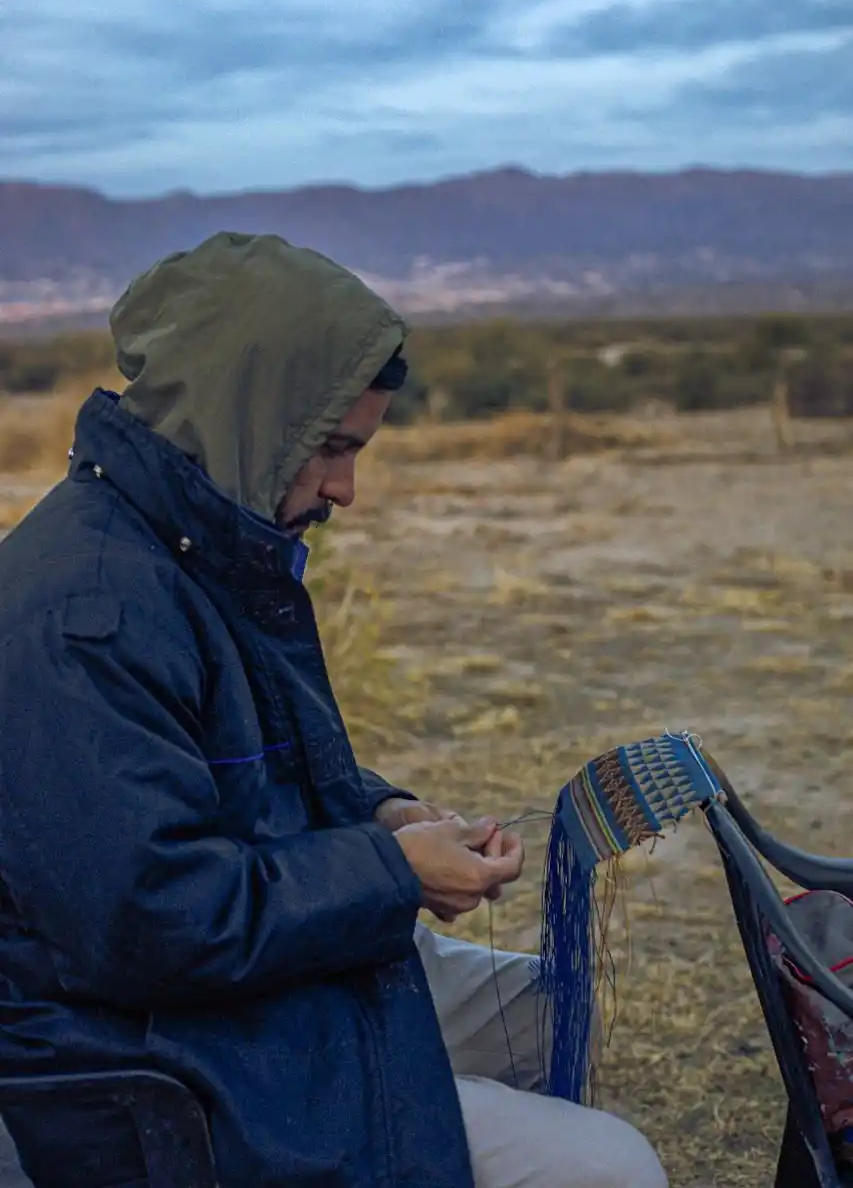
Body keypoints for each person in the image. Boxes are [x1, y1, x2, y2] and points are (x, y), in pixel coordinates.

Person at [0, 232, 667, 1188]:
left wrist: (379, 813)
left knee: (554, 1014)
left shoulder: (197, 547)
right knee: (608, 1168)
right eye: (332, 448)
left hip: (252, 985)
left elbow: (248, 772)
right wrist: (391, 873)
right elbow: (151, 924)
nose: (344, 491)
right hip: (158, 1057)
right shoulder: (84, 615)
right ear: (245, 415)